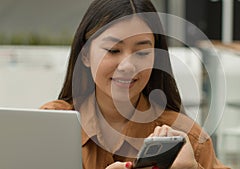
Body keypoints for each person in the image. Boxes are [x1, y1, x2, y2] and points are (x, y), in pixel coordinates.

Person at [41, 0, 230, 169]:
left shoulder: (188, 138)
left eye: (142, 53)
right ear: (85, 55)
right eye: (113, 50)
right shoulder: (49, 124)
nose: (128, 66)